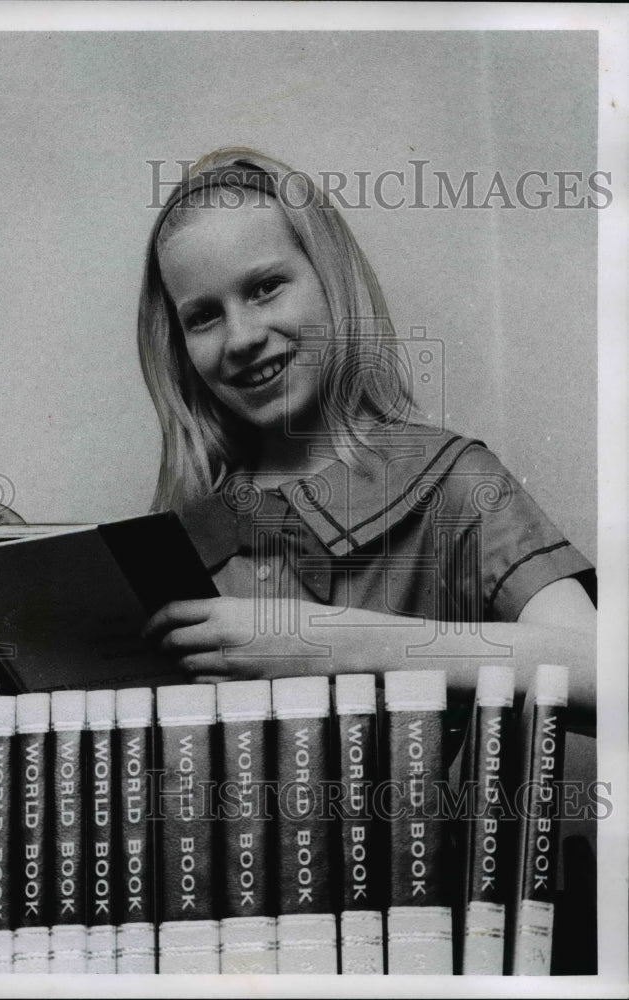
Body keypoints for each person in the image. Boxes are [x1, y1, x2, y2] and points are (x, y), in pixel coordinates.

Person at [137, 148, 596, 726]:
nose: (242, 336)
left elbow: (608, 674)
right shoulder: (180, 535)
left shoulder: (456, 483)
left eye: (266, 287)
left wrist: (333, 642)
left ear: (331, 280)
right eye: (202, 316)